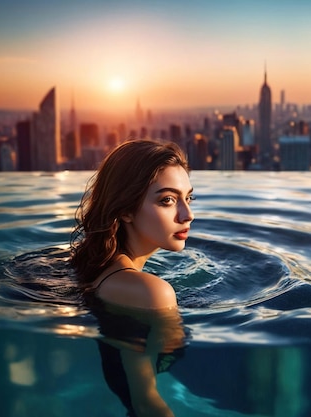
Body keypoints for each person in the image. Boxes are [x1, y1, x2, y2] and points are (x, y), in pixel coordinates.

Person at [70, 139, 194, 417]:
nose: (188, 215)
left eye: (188, 198)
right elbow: (146, 402)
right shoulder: (151, 292)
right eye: (167, 200)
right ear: (124, 209)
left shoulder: (90, 264)